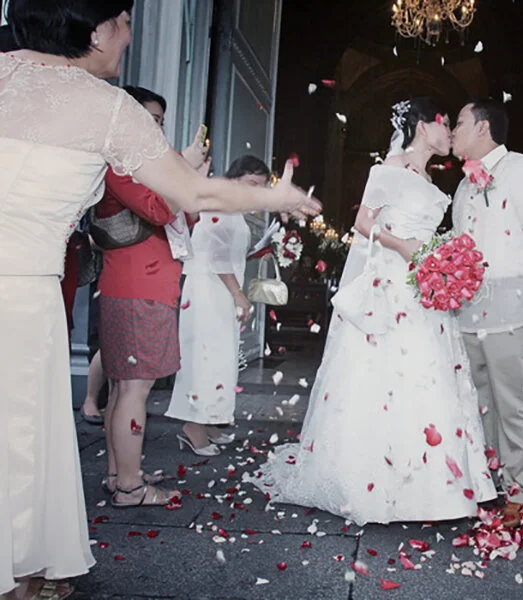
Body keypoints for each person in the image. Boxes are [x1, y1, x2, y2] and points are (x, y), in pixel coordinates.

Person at [0, 1, 320, 595]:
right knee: (17, 437)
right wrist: (277, 198)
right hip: (20, 299)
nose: (129, 35)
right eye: (125, 22)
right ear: (96, 29)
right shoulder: (105, 106)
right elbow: (194, 193)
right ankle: (16, 577)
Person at [251, 98, 496, 525]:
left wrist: (442, 260)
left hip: (424, 290)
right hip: (392, 287)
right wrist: (402, 247)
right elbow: (363, 223)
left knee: (429, 374)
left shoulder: (430, 177)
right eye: (445, 124)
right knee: (386, 374)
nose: (450, 134)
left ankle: (435, 485)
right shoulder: (389, 168)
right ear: (424, 127)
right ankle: (378, 479)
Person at [450, 99, 523, 528]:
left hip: (511, 305)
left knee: (513, 400)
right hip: (467, 308)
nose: (453, 130)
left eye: (459, 123)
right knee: (478, 399)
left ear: (482, 127)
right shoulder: (463, 185)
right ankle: (489, 480)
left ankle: (520, 489)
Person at [96, 85, 207, 504]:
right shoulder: (121, 164)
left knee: (123, 388)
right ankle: (129, 486)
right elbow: (160, 209)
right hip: (137, 288)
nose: (157, 129)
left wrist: (186, 179)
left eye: (160, 122)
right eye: (150, 120)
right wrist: (184, 169)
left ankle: (120, 473)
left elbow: (184, 215)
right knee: (133, 390)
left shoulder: (143, 165)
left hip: (144, 285)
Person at [166, 155, 271, 455]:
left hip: (220, 288)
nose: (255, 190)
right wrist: (238, 294)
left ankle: (210, 421)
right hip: (208, 290)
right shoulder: (219, 203)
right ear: (234, 178)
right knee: (206, 358)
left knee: (221, 359)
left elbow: (228, 250)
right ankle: (193, 427)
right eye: (251, 183)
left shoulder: (233, 208)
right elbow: (216, 254)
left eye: (261, 186)